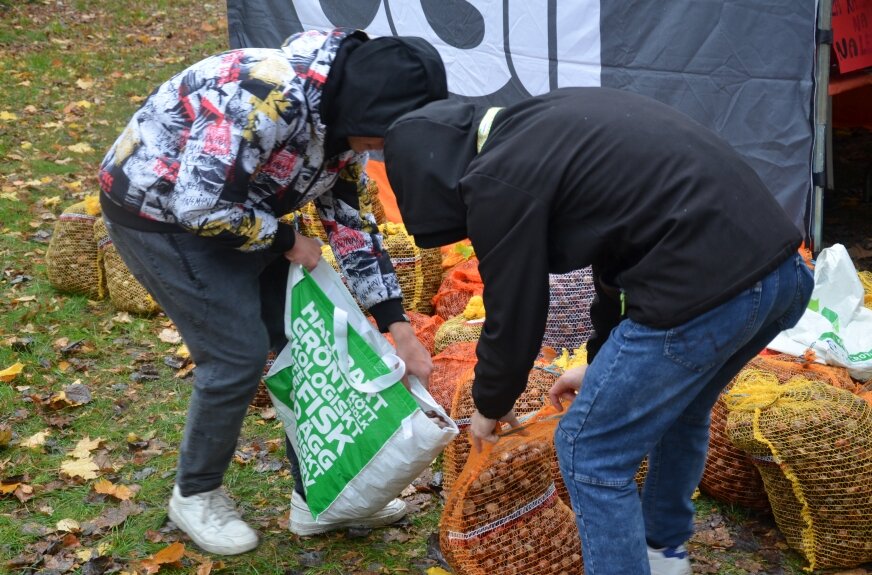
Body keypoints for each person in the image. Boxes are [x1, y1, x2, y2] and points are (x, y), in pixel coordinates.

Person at [383, 88, 814, 575]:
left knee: (589, 451)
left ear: (432, 180)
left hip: (705, 289)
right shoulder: (550, 123)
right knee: (681, 412)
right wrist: (600, 361)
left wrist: (490, 401)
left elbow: (516, 303)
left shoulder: (496, 177)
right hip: (781, 276)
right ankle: (663, 553)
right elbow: (617, 255)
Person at [97, 28, 447, 555]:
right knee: (235, 354)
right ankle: (196, 494)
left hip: (241, 211)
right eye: (381, 137)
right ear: (364, 111)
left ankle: (317, 499)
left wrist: (399, 326)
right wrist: (285, 239)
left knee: (305, 342)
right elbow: (197, 205)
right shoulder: (263, 94)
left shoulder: (344, 123)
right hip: (157, 213)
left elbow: (350, 224)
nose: (380, 148)